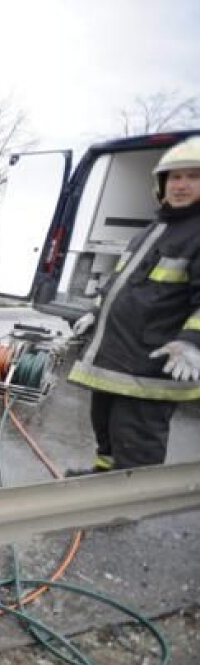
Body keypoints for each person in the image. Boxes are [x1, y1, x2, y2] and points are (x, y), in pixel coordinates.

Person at [67, 136, 200, 474]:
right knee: (108, 430)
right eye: (174, 176)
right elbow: (120, 283)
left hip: (150, 364)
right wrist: (94, 312)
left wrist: (191, 342)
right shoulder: (157, 228)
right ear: (161, 183)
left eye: (193, 176)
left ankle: (122, 511)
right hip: (117, 359)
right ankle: (103, 479)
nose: (181, 185)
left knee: (136, 440)